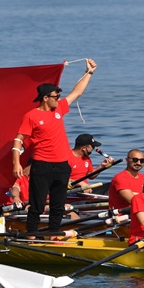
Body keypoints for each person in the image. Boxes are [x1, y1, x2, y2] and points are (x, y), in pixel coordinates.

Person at [11, 58, 98, 236]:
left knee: (58, 204)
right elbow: (18, 139)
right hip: (42, 165)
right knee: (37, 204)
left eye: (59, 96)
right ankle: (32, 235)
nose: (59, 99)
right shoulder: (32, 116)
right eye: (55, 97)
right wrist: (16, 163)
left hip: (62, 166)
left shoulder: (59, 109)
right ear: (45, 98)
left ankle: (54, 233)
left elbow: (77, 92)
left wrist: (89, 72)